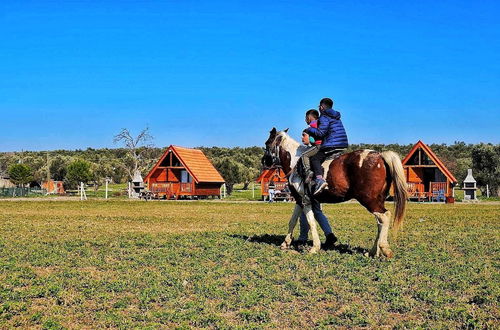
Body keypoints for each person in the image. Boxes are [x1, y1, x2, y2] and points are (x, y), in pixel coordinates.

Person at [297, 130, 337, 248]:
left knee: (305, 210)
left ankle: (303, 237)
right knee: (317, 211)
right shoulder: (318, 152)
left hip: (311, 187)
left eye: (304, 135)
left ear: (312, 137)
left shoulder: (311, 154)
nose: (302, 137)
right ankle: (329, 234)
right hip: (316, 189)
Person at [305, 98, 348, 195]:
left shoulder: (324, 117)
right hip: (342, 143)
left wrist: (309, 130)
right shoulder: (335, 116)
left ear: (321, 107)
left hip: (332, 144)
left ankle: (320, 180)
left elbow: (321, 133)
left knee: (315, 158)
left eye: (319, 107)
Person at [300, 109, 322, 183]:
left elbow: (311, 141)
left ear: (309, 117)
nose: (305, 120)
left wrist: (309, 139)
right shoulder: (321, 123)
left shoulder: (312, 126)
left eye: (306, 118)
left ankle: (308, 171)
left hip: (318, 145)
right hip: (324, 144)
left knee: (304, 155)